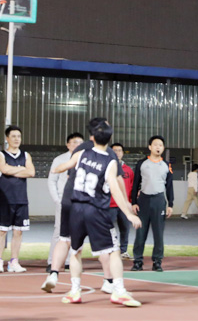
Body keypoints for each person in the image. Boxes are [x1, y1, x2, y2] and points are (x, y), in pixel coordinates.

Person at [61, 118, 142, 307]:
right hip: (96, 210)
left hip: (76, 208)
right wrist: (128, 212)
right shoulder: (109, 159)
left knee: (75, 251)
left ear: (91, 137)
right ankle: (118, 290)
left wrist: (56, 169)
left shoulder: (81, 153)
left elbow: (63, 168)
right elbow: (115, 187)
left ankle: (75, 291)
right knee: (113, 251)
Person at [41, 119, 122, 295]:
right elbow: (117, 180)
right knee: (105, 246)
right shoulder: (108, 154)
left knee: (65, 239)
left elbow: (66, 170)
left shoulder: (82, 150)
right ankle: (109, 281)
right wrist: (127, 204)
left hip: (70, 198)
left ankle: (53, 275)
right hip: (90, 204)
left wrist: (56, 170)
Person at [0, 125, 35, 273]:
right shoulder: (1, 155)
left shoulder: (26, 155)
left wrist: (13, 170)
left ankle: (14, 261)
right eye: (13, 136)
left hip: (21, 199)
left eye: (19, 136)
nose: (17, 139)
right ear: (7, 138)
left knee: (18, 232)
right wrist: (22, 169)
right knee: (2, 231)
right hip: (6, 199)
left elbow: (31, 172)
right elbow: (4, 169)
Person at [131, 135, 174, 272]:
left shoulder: (166, 165)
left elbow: (169, 186)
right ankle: (138, 261)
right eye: (155, 145)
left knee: (158, 233)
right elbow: (135, 183)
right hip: (143, 200)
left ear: (163, 148)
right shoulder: (142, 163)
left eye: (160, 145)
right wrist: (134, 202)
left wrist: (170, 204)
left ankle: (157, 261)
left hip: (159, 200)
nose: (158, 147)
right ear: (150, 147)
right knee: (140, 233)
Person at [46, 132, 84, 270]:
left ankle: (70, 262)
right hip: (64, 201)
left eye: (80, 143)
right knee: (59, 231)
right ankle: (52, 262)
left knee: (77, 232)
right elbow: (52, 181)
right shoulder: (60, 159)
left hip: (80, 201)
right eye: (74, 142)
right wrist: (57, 200)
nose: (77, 145)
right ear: (68, 145)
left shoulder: (86, 159)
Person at [110, 143, 134, 259]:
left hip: (124, 205)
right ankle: (111, 250)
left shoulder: (128, 170)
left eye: (119, 150)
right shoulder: (108, 168)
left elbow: (132, 187)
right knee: (109, 229)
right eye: (115, 150)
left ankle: (123, 251)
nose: (117, 153)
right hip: (110, 204)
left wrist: (130, 203)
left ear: (123, 153)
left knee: (125, 229)